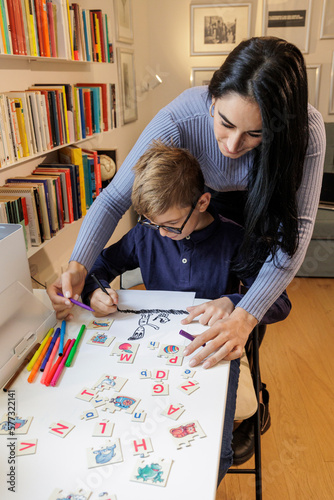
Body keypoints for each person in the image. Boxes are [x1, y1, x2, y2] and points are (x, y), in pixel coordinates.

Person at [47, 36, 326, 462]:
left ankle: (251, 397)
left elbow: (296, 235)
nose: (232, 146)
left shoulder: (306, 132)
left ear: (280, 127)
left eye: (255, 133)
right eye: (225, 124)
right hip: (196, 199)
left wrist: (244, 314)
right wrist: (80, 267)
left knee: (245, 313)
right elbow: (113, 198)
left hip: (263, 209)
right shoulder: (180, 119)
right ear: (212, 99)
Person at [80, 141, 291, 481]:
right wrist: (95, 290)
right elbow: (99, 265)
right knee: (123, 429)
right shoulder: (146, 235)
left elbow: (281, 302)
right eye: (153, 224)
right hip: (152, 353)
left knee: (214, 454)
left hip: (211, 353)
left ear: (203, 201)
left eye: (173, 225)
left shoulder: (236, 240)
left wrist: (236, 304)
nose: (163, 234)